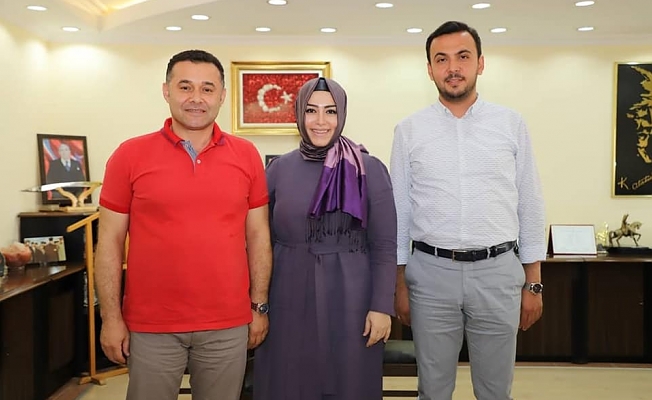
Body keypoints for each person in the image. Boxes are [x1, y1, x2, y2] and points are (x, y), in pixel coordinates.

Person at [94, 49, 272, 400]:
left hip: (227, 323)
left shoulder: (247, 155)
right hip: (151, 325)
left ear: (222, 96)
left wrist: (259, 306)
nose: (196, 98)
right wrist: (111, 318)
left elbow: (259, 236)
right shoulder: (129, 155)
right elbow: (109, 243)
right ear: (166, 91)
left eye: (207, 89)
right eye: (185, 86)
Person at [390, 21, 546, 400]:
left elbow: (529, 202)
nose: (453, 68)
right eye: (441, 59)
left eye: (462, 57)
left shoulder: (510, 124)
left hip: (498, 273)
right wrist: (399, 284)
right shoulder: (409, 130)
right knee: (433, 391)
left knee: (495, 392)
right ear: (430, 69)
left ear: (480, 63)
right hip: (430, 276)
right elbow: (399, 211)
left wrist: (534, 282)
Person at [253, 77, 398, 400]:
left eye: (330, 111)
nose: (321, 121)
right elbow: (261, 241)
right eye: (311, 110)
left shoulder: (369, 169)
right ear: (298, 114)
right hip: (288, 294)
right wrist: (258, 304)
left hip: (352, 297)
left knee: (349, 382)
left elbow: (385, 245)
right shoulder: (278, 170)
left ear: (342, 114)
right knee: (288, 381)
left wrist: (380, 307)